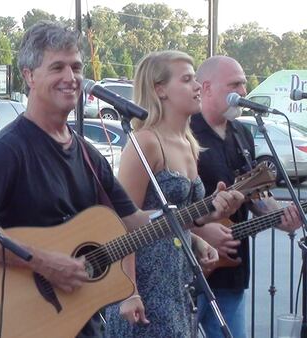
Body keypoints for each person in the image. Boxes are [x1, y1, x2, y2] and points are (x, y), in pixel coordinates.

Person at [0, 22, 239, 338]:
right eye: (57, 67)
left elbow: (136, 221)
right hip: (26, 315)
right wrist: (43, 262)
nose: (70, 78)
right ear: (29, 76)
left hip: (77, 317)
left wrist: (204, 212)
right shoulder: (10, 148)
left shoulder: (86, 153)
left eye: (76, 67)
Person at [102, 50, 244, 337]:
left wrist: (200, 235)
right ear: (160, 89)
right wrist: (129, 291)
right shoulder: (146, 142)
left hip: (178, 284)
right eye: (187, 79)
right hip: (144, 287)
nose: (196, 86)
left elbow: (172, 220)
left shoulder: (189, 143)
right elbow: (123, 223)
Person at [191, 55, 303, 338]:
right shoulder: (186, 132)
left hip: (231, 272)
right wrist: (199, 232)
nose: (243, 92)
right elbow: (160, 204)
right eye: (235, 84)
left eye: (244, 84)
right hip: (189, 270)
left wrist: (280, 217)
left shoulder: (242, 133)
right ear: (206, 88)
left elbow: (256, 195)